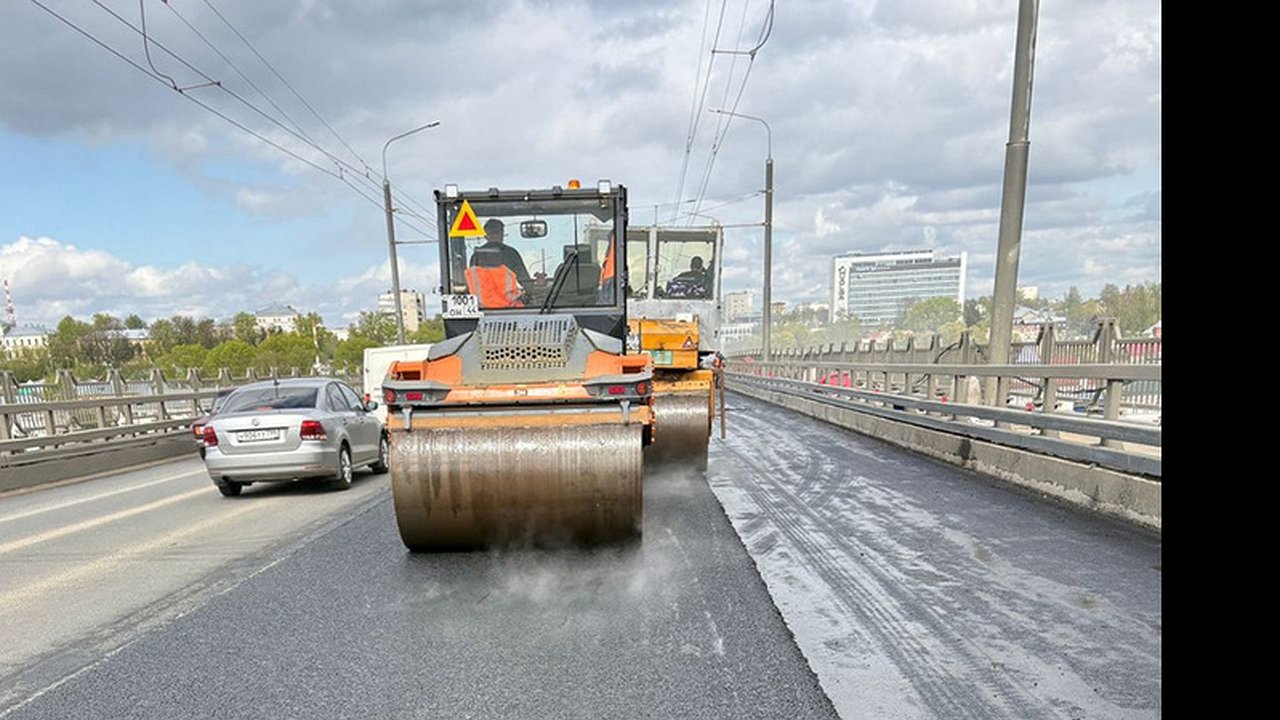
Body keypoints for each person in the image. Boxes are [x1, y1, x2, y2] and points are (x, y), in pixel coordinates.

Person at [466, 219, 532, 308]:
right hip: (509, 308)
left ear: (485, 235)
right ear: (502, 234)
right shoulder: (510, 254)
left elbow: (470, 284)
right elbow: (525, 280)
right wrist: (535, 289)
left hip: (482, 308)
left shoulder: (476, 256)